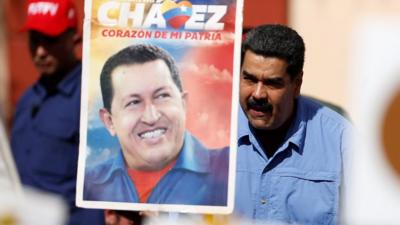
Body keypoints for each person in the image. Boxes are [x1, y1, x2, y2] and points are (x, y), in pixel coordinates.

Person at [83, 44, 229, 206]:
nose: (151, 117)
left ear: (184, 104)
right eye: (133, 102)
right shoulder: (87, 185)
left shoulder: (230, 169)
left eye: (161, 96)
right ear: (109, 121)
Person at [235, 24, 352, 224]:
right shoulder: (210, 131)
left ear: (296, 84)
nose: (257, 94)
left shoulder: (342, 141)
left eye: (272, 83)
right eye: (250, 79)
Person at [10, 0, 105, 224]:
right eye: (35, 40)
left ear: (74, 37)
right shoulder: (28, 99)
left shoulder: (93, 97)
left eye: (50, 40)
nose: (40, 51)